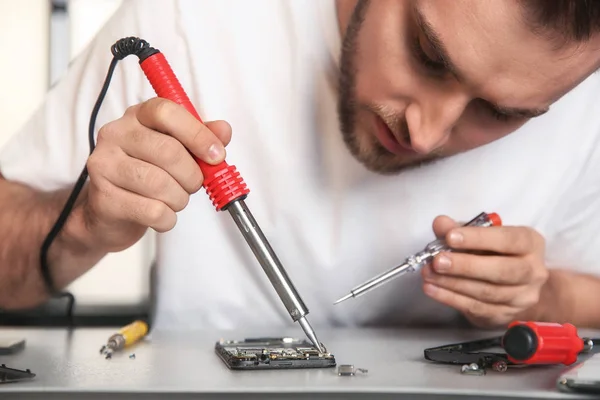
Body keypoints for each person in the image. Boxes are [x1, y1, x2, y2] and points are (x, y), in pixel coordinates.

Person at [1, 0, 600, 331]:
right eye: (427, 52)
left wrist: (539, 298)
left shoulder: (577, 101)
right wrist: (81, 223)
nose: (426, 132)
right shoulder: (190, 20)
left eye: (498, 111)